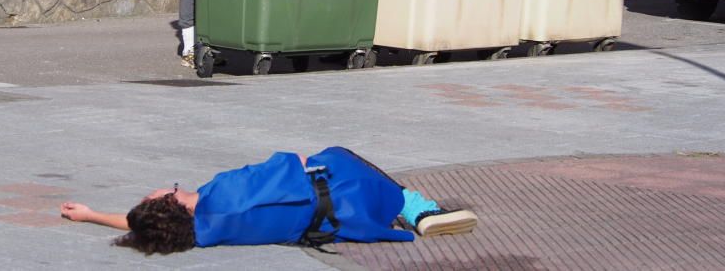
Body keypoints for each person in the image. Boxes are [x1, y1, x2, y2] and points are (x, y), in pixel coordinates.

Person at [60, 146, 477, 254]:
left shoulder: (202, 234)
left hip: (331, 227)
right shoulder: (220, 193)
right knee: (338, 154)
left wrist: (92, 215)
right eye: (152, 193)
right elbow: (291, 165)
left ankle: (408, 206)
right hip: (346, 198)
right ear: (169, 198)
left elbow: (139, 226)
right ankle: (416, 206)